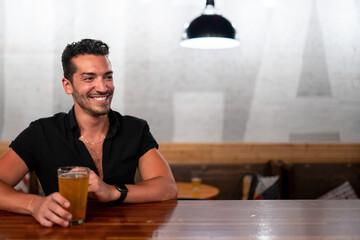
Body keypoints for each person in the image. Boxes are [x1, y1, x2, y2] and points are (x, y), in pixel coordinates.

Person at [0, 39, 177, 227]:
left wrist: (113, 192)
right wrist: (34, 204)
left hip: (121, 234)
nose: (102, 87)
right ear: (68, 85)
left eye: (108, 77)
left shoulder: (135, 129)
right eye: (89, 78)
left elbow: (167, 187)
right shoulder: (42, 132)